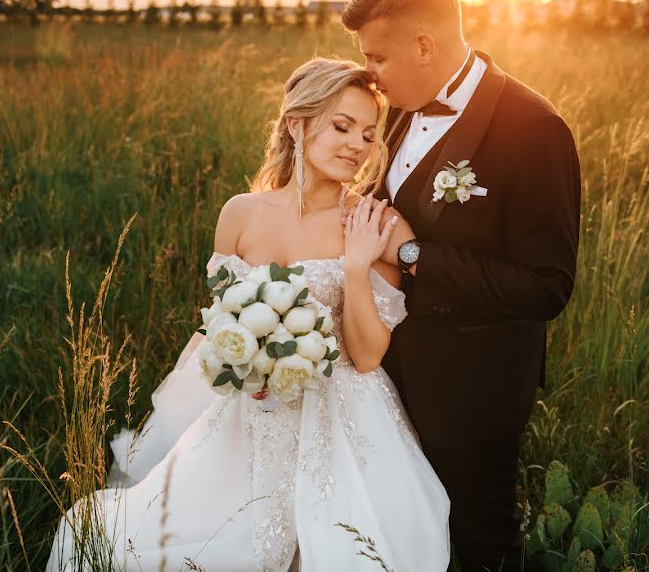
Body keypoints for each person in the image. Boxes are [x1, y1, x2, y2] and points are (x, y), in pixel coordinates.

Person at [45, 58, 450, 572]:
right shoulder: (240, 213)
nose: (357, 145)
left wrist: (355, 267)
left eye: (369, 134)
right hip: (251, 410)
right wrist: (240, 372)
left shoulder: (377, 222)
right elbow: (220, 322)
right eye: (341, 126)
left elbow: (368, 357)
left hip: (346, 412)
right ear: (297, 124)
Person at [341, 0, 582, 570]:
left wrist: (415, 256)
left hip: (472, 393)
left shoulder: (534, 128)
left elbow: (546, 285)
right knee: (409, 536)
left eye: (378, 57)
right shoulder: (397, 110)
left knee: (480, 542)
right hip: (386, 376)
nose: (371, 75)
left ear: (424, 46)